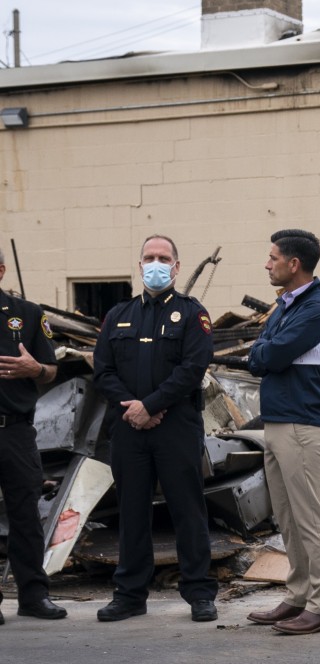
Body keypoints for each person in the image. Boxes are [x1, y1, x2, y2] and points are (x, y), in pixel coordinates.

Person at [92, 235, 218, 623]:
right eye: (149, 257)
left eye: (164, 258)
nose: (156, 263)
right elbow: (103, 371)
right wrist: (134, 408)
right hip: (128, 428)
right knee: (131, 513)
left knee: (187, 510)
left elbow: (193, 368)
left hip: (176, 427)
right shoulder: (118, 315)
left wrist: (151, 405)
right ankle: (130, 595)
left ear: (177, 267)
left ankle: (199, 593)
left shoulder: (192, 314)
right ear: (140, 265)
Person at [245, 229, 320, 635]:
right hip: (278, 421)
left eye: (273, 258)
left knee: (311, 520)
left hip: (302, 425)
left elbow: (269, 354)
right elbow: (262, 352)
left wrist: (263, 352)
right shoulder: (287, 305)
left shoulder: (317, 309)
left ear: (294, 263)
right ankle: (300, 595)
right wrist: (263, 352)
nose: (267, 264)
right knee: (288, 518)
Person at [0, 247, 67, 625]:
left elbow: (51, 370)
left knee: (25, 514)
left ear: (1, 271)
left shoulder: (26, 314)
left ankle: (33, 596)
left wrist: (33, 368)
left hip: (15, 431)